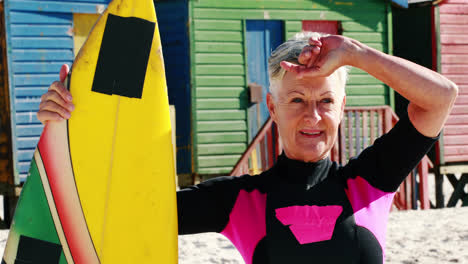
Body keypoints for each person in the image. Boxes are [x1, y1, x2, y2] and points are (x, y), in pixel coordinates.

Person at [38, 32, 458, 264]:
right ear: (272, 106)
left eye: (325, 101)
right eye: (297, 100)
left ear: (342, 107)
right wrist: (67, 124)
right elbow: (115, 206)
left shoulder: (371, 180)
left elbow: (442, 97)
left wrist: (354, 54)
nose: (313, 116)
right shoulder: (241, 200)